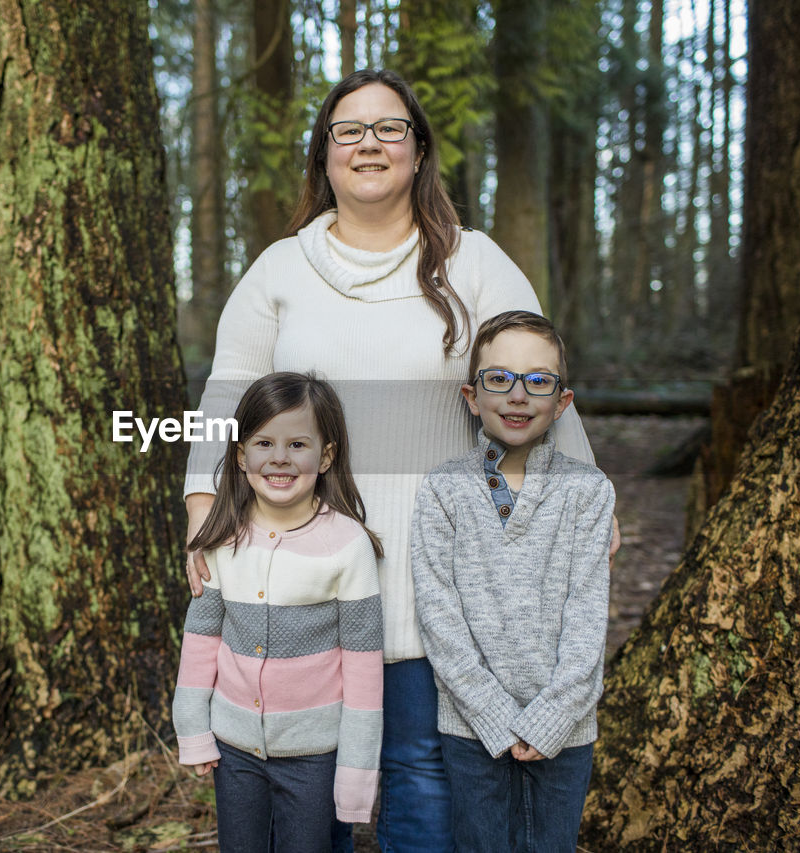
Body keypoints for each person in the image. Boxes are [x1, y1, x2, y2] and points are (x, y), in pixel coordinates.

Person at [183, 68, 607, 851]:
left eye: (389, 128)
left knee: (419, 765)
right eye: (350, 129)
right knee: (314, 768)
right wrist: (203, 512)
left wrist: (585, 500)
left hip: (438, 561)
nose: (369, 143)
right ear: (325, 153)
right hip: (305, 559)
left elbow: (534, 370)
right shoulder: (280, 269)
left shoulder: (471, 262)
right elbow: (227, 395)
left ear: (418, 152)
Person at [410, 311, 615, 852]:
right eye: (498, 378)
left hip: (565, 730)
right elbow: (438, 615)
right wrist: (496, 718)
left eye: (538, 380)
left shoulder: (589, 492)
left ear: (561, 401)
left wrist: (549, 719)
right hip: (472, 726)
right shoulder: (443, 490)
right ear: (472, 396)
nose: (518, 395)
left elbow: (588, 617)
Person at [173, 372, 385, 853]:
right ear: (241, 454)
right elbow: (200, 643)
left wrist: (355, 774)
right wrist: (193, 729)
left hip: (314, 755)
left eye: (297, 443)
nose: (280, 458)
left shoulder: (348, 545)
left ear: (325, 456)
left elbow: (364, 671)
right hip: (234, 750)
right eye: (264, 442)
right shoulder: (221, 539)